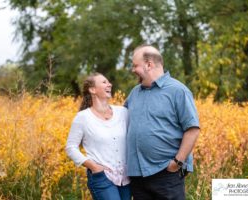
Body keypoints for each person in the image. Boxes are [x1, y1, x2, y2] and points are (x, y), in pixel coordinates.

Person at [125, 44, 200, 200]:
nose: (133, 70)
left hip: (166, 174)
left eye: (135, 66)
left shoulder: (178, 91)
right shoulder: (134, 93)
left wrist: (177, 162)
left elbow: (192, 129)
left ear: (149, 65)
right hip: (137, 177)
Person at [66, 72, 131, 200]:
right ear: (92, 90)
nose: (109, 84)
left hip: (127, 178)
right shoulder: (83, 117)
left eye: (108, 82)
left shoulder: (123, 113)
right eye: (104, 82)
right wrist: (94, 167)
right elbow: (70, 147)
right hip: (102, 178)